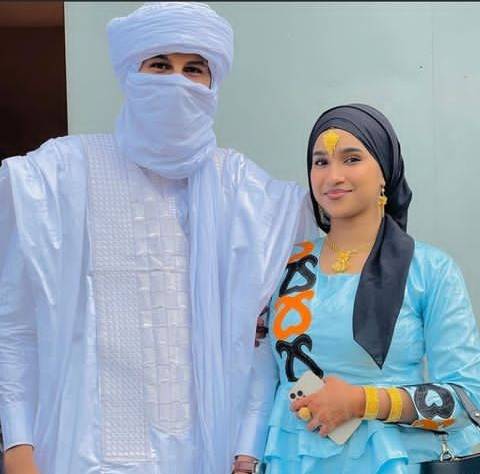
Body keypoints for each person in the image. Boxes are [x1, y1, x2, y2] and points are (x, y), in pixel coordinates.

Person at [0, 3, 314, 474]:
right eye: (160, 66)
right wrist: (17, 444)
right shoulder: (59, 174)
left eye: (194, 69)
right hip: (82, 452)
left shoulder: (246, 192)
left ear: (213, 84)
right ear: (131, 73)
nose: (177, 83)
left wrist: (247, 447)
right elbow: (15, 323)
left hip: (212, 452)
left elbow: (268, 338)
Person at [259, 104, 480, 473]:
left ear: (384, 172)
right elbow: (259, 376)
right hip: (291, 459)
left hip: (389, 461)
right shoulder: (284, 267)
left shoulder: (429, 269)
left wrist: (362, 401)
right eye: (320, 161)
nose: (333, 175)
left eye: (351, 159)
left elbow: (468, 399)